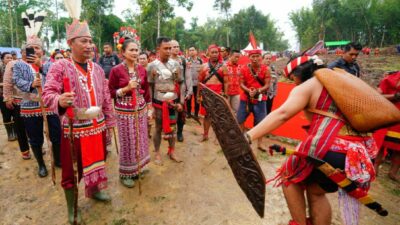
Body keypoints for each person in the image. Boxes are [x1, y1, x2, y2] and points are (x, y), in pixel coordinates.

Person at [246, 55, 378, 225]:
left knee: (288, 178)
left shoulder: (309, 85)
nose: (293, 83)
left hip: (333, 149)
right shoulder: (341, 79)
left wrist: (248, 136)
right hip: (361, 155)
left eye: (293, 78)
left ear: (300, 73)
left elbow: (282, 114)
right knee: (316, 191)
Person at [42, 10, 116, 224]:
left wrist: (109, 122)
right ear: (71, 42)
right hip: (74, 129)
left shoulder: (98, 69)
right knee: (71, 171)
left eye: (91, 41)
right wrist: (59, 100)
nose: (89, 45)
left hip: (98, 126)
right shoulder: (60, 66)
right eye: (84, 41)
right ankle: (72, 209)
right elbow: (48, 94)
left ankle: (94, 191)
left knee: (98, 162)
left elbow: (106, 96)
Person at [13, 15, 62, 177]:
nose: (34, 50)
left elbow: (56, 79)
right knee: (35, 138)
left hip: (50, 105)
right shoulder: (19, 64)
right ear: (25, 50)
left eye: (37, 48)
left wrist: (41, 67)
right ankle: (41, 164)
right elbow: (16, 80)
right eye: (31, 47)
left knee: (56, 134)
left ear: (43, 50)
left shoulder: (50, 63)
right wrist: (30, 85)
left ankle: (58, 159)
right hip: (29, 106)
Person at [109, 39, 152, 188]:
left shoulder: (142, 69)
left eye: (136, 50)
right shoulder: (116, 71)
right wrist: (126, 88)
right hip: (124, 111)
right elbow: (110, 92)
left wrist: (149, 108)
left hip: (140, 109)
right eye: (131, 50)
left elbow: (146, 90)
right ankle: (125, 173)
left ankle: (138, 167)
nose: (135, 53)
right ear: (123, 53)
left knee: (140, 139)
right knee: (128, 142)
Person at [147, 36, 183, 164]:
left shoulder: (176, 64)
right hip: (158, 101)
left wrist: (181, 101)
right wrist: (150, 105)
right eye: (166, 48)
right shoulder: (151, 66)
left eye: (170, 48)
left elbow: (181, 82)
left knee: (173, 127)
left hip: (173, 100)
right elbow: (150, 86)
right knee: (157, 127)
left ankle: (171, 151)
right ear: (158, 49)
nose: (168, 51)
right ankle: (157, 153)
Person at [237, 49, 270, 152]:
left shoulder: (266, 69)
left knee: (261, 123)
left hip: (260, 99)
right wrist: (249, 91)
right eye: (253, 56)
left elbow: (267, 85)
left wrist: (258, 90)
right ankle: (242, 140)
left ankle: (260, 143)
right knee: (240, 120)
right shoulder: (243, 69)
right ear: (249, 57)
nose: (255, 59)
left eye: (257, 56)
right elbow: (241, 83)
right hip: (245, 99)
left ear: (261, 57)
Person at [3, 47, 31, 159]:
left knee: (34, 127)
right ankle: (25, 150)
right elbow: (7, 81)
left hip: (35, 101)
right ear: (22, 52)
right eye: (27, 51)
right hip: (18, 100)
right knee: (20, 127)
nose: (29, 53)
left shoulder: (37, 63)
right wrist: (7, 97)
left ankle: (36, 146)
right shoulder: (13, 64)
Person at [197, 44, 227, 141]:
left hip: (219, 93)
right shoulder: (203, 66)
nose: (214, 54)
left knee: (219, 116)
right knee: (207, 115)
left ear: (219, 53)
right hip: (207, 94)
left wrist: (225, 94)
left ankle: (218, 137)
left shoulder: (223, 66)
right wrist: (198, 95)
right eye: (212, 52)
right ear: (208, 53)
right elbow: (200, 82)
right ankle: (205, 135)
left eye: (216, 52)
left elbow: (226, 82)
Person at [375, 71, 400, 182]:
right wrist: (395, 96)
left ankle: (393, 172)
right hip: (388, 114)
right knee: (381, 143)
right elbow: (377, 95)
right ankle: (375, 167)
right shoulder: (390, 78)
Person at [170, 40, 192, 142]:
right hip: (168, 91)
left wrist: (190, 90)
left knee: (181, 112)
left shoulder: (183, 60)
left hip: (181, 90)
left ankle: (179, 132)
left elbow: (188, 77)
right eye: (174, 46)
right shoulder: (164, 60)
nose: (176, 48)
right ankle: (170, 132)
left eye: (177, 46)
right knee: (170, 112)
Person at [0, 52, 17, 141]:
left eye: (11, 57)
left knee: (15, 114)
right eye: (7, 58)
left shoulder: (15, 68)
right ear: (2, 59)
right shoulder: (0, 68)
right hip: (2, 95)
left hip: (15, 95)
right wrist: (5, 84)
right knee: (6, 115)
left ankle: (16, 132)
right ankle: (10, 134)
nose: (10, 59)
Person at [185, 46, 202, 119]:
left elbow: (202, 72)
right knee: (188, 98)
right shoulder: (186, 61)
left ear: (196, 51)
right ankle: (188, 113)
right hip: (189, 83)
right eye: (190, 50)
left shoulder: (200, 61)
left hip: (197, 83)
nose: (191, 51)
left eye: (193, 50)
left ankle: (196, 114)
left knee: (197, 98)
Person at [225, 49, 241, 114]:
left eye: (238, 57)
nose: (237, 59)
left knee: (236, 111)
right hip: (226, 93)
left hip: (236, 93)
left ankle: (234, 124)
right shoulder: (224, 66)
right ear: (230, 56)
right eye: (236, 57)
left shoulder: (240, 67)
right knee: (226, 111)